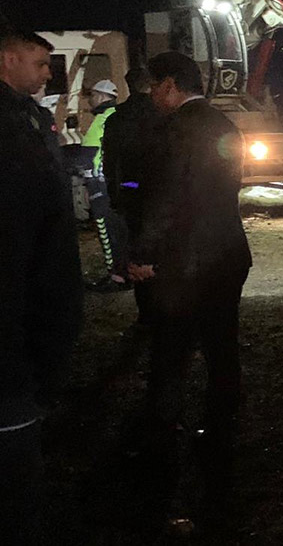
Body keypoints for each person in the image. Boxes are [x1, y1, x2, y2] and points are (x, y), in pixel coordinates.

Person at [127, 51, 252, 523]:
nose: (153, 96)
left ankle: (162, 439)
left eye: (155, 86)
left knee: (171, 350)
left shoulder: (173, 131)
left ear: (170, 85)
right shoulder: (224, 124)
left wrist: (142, 253)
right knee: (222, 343)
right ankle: (222, 426)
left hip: (187, 260)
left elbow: (165, 200)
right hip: (229, 250)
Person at [0, 29, 84, 544]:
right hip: (15, 323)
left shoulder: (26, 118)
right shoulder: (12, 128)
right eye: (39, 62)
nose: (47, 73)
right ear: (7, 59)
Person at [104, 67, 160, 324]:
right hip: (159, 192)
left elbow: (110, 162)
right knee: (163, 249)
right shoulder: (163, 114)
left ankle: (146, 311)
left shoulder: (117, 119)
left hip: (130, 191)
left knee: (137, 247)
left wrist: (116, 196)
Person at [80, 78, 130, 292]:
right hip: (115, 183)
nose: (90, 100)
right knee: (120, 230)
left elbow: (88, 155)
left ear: (101, 96)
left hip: (101, 185)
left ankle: (117, 276)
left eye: (92, 95)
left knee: (107, 231)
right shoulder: (116, 116)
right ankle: (124, 273)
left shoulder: (102, 118)